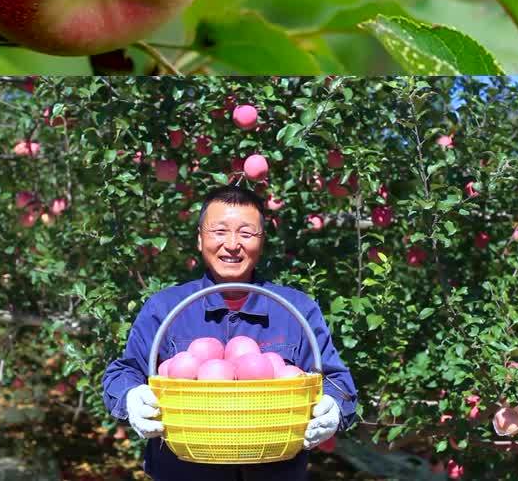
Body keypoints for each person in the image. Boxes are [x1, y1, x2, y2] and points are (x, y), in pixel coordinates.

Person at [102, 185, 358, 480]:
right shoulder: (165, 308)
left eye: (246, 233)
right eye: (219, 231)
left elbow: (338, 382)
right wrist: (131, 397)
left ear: (262, 241)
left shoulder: (296, 310)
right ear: (200, 239)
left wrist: (334, 408)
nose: (233, 244)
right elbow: (123, 372)